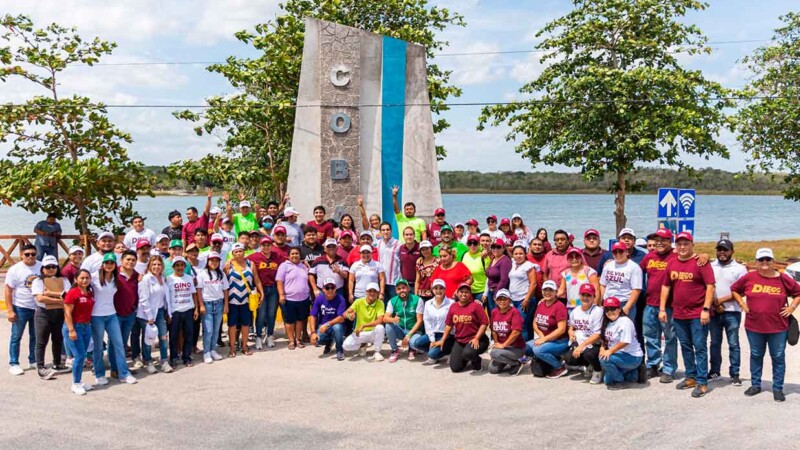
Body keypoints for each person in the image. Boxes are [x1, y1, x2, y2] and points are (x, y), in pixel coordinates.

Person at [731, 248, 800, 403]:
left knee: (778, 357)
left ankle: (777, 388)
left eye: (768, 259)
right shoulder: (749, 277)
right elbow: (734, 290)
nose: (764, 263)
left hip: (778, 327)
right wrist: (741, 302)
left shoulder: (783, 278)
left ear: (773, 261)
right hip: (754, 326)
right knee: (756, 355)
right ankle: (756, 385)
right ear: (756, 262)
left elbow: (798, 292)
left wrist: (792, 307)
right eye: (761, 260)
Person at [660, 231, 715, 398]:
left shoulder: (701, 263)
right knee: (685, 346)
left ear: (692, 245)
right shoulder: (672, 263)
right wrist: (662, 309)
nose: (682, 247)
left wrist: (705, 309)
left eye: (686, 244)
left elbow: (710, 286)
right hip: (679, 313)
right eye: (679, 244)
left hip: (698, 314)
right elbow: (666, 286)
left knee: (699, 347)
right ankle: (690, 376)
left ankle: (702, 382)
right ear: (675, 246)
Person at [639, 228, 679, 383]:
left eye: (664, 240)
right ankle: (653, 364)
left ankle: (668, 368)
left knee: (669, 337)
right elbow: (636, 270)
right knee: (650, 336)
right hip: (650, 303)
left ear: (670, 241)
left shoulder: (675, 257)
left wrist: (702, 255)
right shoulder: (649, 257)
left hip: (669, 306)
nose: (660, 243)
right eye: (658, 240)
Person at [91, 252, 136, 385]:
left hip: (111, 315)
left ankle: (123, 373)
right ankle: (99, 374)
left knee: (119, 344)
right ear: (103, 264)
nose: (109, 265)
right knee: (98, 346)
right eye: (107, 263)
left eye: (112, 263)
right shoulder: (93, 278)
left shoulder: (115, 279)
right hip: (96, 316)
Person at [708, 239, 748, 384]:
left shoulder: (739, 268)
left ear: (732, 251)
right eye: (719, 249)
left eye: (725, 250)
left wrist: (721, 301)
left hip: (733, 311)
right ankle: (714, 371)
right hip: (714, 310)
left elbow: (742, 291)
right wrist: (715, 303)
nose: (722, 253)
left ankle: (735, 373)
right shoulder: (710, 265)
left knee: (733, 343)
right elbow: (708, 286)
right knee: (714, 343)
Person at [30, 255, 70, 379]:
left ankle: (57, 363)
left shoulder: (64, 280)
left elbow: (68, 296)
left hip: (59, 313)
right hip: (43, 313)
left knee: (58, 340)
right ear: (43, 269)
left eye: (53, 266)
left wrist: (51, 295)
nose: (51, 269)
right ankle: (41, 367)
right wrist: (60, 299)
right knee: (41, 341)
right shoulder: (38, 281)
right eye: (48, 267)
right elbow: (40, 298)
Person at [434, 283, 489, 373]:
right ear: (457, 293)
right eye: (461, 291)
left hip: (477, 339)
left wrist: (476, 338)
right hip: (460, 340)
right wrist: (443, 339)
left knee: (469, 353)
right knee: (455, 368)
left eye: (467, 292)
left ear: (470, 294)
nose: (464, 294)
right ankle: (466, 356)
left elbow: (484, 323)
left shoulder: (476, 306)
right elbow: (449, 324)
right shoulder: (453, 306)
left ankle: (476, 360)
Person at [5, 245, 41, 375]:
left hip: (37, 307)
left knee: (35, 336)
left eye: (33, 254)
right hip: (20, 307)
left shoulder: (41, 266)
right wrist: (10, 310)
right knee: (16, 336)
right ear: (21, 255)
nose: (30, 256)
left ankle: (33, 360)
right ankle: (14, 363)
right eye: (27, 254)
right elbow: (8, 291)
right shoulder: (15, 270)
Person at [134, 256, 171, 374]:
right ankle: (148, 361)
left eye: (159, 264)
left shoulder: (163, 278)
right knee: (148, 338)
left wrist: (168, 312)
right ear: (149, 266)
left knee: (163, 337)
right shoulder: (146, 279)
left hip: (160, 312)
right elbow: (143, 299)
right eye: (154, 264)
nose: (156, 267)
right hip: (147, 313)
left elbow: (167, 297)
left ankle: (164, 360)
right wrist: (149, 316)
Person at [247, 236, 284, 349]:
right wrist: (230, 261)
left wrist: (304, 262)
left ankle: (270, 335)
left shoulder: (277, 256)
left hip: (273, 289)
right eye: (264, 245)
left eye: (268, 245)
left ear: (271, 246)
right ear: (260, 246)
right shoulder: (254, 257)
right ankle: (258, 337)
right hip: (260, 289)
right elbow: (240, 259)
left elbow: (291, 259)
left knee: (271, 314)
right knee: (261, 314)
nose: (266, 247)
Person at [226, 243, 263, 356]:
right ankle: (232, 348)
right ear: (232, 253)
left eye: (240, 251)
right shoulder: (228, 265)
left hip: (247, 300)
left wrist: (262, 293)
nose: (238, 253)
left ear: (244, 252)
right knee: (232, 325)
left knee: (245, 324)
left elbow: (256, 280)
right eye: (236, 251)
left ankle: (244, 346)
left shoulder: (250, 264)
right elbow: (224, 284)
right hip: (232, 300)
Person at [600, 297, 644, 389]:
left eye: (613, 309)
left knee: (604, 359)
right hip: (619, 356)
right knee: (607, 380)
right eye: (607, 309)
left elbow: (625, 342)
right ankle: (633, 372)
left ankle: (620, 381)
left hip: (632, 356)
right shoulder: (607, 322)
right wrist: (602, 348)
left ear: (619, 309)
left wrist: (610, 351)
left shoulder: (625, 321)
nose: (609, 312)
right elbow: (605, 340)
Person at [527, 280, 569, 378]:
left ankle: (559, 367)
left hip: (560, 341)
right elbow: (535, 322)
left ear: (555, 292)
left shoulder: (559, 306)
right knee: (526, 347)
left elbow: (561, 330)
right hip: (545, 339)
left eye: (551, 290)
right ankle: (546, 360)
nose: (547, 292)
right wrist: (541, 336)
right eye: (545, 290)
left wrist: (544, 340)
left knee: (538, 350)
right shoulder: (541, 304)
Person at [62, 269, 95, 395]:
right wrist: (71, 330)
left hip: (86, 327)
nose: (85, 280)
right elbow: (67, 313)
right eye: (82, 278)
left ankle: (79, 381)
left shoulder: (89, 293)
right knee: (79, 356)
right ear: (76, 279)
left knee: (83, 356)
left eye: (87, 278)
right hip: (74, 327)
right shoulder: (72, 293)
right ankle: (75, 383)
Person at [563, 284, 604, 383]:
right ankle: (588, 365)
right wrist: (570, 332)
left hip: (595, 343)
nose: (585, 298)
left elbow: (597, 334)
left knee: (588, 354)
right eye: (583, 295)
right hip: (580, 341)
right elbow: (571, 325)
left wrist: (581, 346)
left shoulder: (598, 311)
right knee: (569, 359)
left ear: (594, 297)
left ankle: (598, 370)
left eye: (589, 295)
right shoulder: (575, 310)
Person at [410, 279, 455, 364]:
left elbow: (452, 323)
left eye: (441, 288)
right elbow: (427, 322)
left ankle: (448, 352)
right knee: (417, 343)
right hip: (433, 333)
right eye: (436, 288)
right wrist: (432, 340)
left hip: (447, 335)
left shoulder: (451, 303)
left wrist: (443, 338)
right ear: (432, 290)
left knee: (432, 353)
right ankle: (436, 353)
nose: (438, 291)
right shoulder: (428, 303)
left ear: (445, 289)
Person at [166, 256, 199, 367]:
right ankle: (174, 357)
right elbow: (167, 297)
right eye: (177, 265)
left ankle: (187, 357)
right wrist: (168, 313)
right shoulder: (169, 279)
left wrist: (196, 309)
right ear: (173, 267)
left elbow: (194, 293)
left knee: (189, 335)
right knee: (173, 336)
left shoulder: (189, 278)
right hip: (175, 311)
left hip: (188, 309)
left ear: (185, 266)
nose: (180, 267)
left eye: (182, 265)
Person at [196, 252, 229, 364]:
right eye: (212, 260)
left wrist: (226, 305)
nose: (214, 263)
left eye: (216, 260)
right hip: (207, 304)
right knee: (208, 330)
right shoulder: (202, 274)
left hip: (219, 304)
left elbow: (225, 290)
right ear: (208, 261)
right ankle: (206, 352)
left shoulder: (222, 275)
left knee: (216, 330)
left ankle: (213, 349)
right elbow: (199, 290)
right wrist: (201, 305)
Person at [111, 251, 139, 378]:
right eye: (128, 259)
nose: (130, 262)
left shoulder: (137, 276)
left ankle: (121, 366)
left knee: (123, 341)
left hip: (130, 313)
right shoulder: (113, 273)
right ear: (121, 260)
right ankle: (114, 368)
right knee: (114, 342)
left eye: (133, 260)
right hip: (115, 313)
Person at [276, 247, 310, 350]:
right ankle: (291, 340)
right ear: (288, 255)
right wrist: (281, 294)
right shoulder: (284, 266)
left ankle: (298, 339)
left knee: (300, 320)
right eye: (292, 254)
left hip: (303, 298)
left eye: (297, 254)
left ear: (300, 255)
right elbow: (279, 281)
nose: (295, 255)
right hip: (289, 299)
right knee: (289, 321)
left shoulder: (303, 266)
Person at [342, 282, 386, 361]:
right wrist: (349, 316)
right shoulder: (358, 301)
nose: (372, 293)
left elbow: (379, 320)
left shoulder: (380, 303)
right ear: (366, 292)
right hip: (360, 333)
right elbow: (345, 313)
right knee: (346, 346)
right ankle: (363, 345)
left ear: (378, 293)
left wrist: (364, 325)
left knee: (380, 327)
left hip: (372, 332)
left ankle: (377, 351)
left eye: (374, 291)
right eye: (370, 291)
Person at [383, 279, 423, 363]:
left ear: (408, 288)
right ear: (396, 291)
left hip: (414, 331)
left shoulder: (417, 300)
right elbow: (385, 318)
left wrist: (408, 335)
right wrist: (393, 319)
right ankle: (395, 350)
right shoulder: (392, 301)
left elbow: (419, 321)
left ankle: (412, 349)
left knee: (415, 344)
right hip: (400, 329)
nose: (402, 290)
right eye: (399, 288)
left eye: (404, 287)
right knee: (388, 325)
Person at [599, 242, 643, 319]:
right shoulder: (608, 266)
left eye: (621, 251)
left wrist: (627, 307)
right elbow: (603, 284)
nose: (618, 254)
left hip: (624, 303)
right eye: (615, 252)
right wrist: (603, 301)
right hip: (608, 303)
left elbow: (636, 289)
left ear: (626, 252)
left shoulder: (634, 267)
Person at [488, 289, 526, 376]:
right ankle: (506, 360)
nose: (502, 301)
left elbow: (516, 332)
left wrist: (503, 345)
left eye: (505, 299)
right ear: (496, 300)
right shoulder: (494, 311)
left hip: (516, 348)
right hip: (503, 348)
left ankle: (517, 363)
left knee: (493, 353)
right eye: (499, 299)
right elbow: (493, 330)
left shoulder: (514, 312)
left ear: (509, 299)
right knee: (492, 369)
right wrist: (496, 344)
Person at [309, 278, 347, 361]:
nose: (330, 290)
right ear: (323, 289)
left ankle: (339, 351)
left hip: (336, 325)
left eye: (332, 287)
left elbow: (341, 318)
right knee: (317, 341)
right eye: (327, 288)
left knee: (337, 327)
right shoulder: (319, 299)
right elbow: (313, 315)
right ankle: (329, 342)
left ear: (335, 288)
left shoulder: (341, 299)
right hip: (323, 326)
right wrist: (312, 332)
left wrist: (327, 324)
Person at [508, 242, 538, 341]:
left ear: (525, 254)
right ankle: (529, 348)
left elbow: (533, 283)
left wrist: (527, 299)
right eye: (516, 254)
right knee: (527, 324)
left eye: (521, 253)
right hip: (514, 299)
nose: (518, 256)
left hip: (524, 299)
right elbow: (505, 249)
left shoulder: (529, 266)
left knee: (522, 325)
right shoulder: (513, 263)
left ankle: (523, 350)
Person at [377, 221, 402, 302]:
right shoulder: (378, 244)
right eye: (383, 230)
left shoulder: (398, 244)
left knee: (393, 305)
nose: (385, 232)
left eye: (387, 229)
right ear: (380, 232)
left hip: (393, 282)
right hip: (380, 281)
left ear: (391, 231)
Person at [484, 238, 511, 312]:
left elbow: (504, 280)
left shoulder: (505, 261)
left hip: (499, 293)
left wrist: (496, 295)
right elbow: (489, 278)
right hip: (490, 291)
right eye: (493, 247)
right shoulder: (493, 259)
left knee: (498, 315)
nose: (495, 249)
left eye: (498, 247)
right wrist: (486, 293)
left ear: (503, 248)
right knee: (491, 315)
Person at [461, 235, 489, 301]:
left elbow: (489, 276)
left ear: (479, 244)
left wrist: (485, 293)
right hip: (467, 290)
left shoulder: (484, 256)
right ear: (467, 245)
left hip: (480, 291)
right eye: (470, 243)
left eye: (475, 243)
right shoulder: (464, 255)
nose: (472, 245)